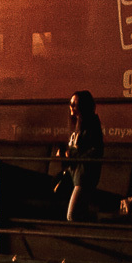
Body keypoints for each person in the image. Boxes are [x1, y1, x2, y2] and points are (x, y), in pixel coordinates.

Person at [56, 90, 104, 222]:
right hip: (76, 174)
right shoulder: (77, 125)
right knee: (80, 213)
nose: (71, 107)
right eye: (70, 103)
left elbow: (95, 150)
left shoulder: (91, 125)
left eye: (74, 104)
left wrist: (70, 154)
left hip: (84, 175)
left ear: (83, 106)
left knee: (72, 215)